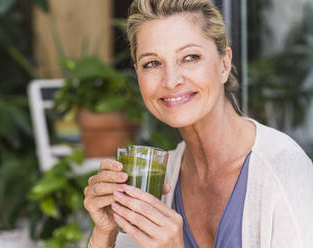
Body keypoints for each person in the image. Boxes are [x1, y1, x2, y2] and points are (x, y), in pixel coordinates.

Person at [83, 0, 313, 247]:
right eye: (152, 63)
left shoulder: (282, 171)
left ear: (224, 64)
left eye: (190, 57)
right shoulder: (162, 177)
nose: (171, 81)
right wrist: (104, 234)